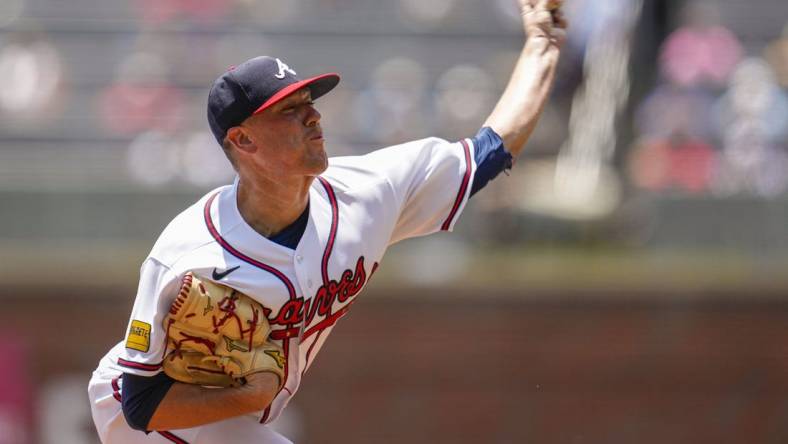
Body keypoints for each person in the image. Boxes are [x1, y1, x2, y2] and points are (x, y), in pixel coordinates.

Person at [87, 1, 567, 442]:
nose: (313, 117)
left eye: (310, 102)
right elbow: (138, 402)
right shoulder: (187, 255)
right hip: (151, 414)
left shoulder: (369, 192)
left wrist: (541, 45)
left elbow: (489, 152)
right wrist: (251, 395)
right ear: (243, 140)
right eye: (290, 111)